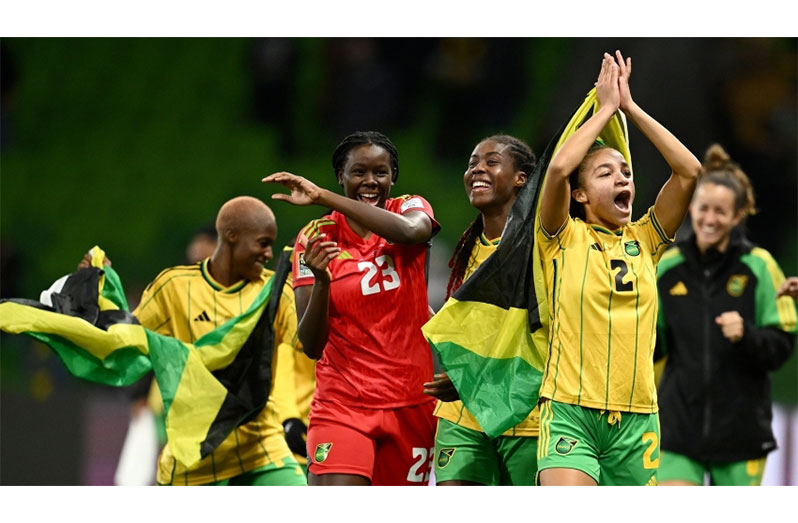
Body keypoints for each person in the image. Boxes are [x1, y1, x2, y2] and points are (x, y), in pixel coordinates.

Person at [535, 50, 701, 485]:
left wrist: (630, 108)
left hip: (637, 420)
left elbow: (688, 172)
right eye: (605, 174)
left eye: (625, 171)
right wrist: (604, 109)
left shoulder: (646, 240)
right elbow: (557, 170)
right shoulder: (560, 236)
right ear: (581, 196)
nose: (623, 179)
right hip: (571, 412)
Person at [86, 196, 307, 486]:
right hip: (194, 460)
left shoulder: (274, 291)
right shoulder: (173, 287)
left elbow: (311, 343)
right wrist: (97, 290)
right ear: (231, 237)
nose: (269, 254)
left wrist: (317, 281)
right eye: (263, 243)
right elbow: (126, 337)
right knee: (132, 480)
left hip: (261, 451)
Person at [262, 131, 438, 486]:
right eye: (358, 172)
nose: (370, 181)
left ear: (393, 177)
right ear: (341, 176)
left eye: (380, 172)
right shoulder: (316, 236)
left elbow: (410, 232)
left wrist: (322, 197)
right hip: (343, 405)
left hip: (412, 404)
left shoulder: (409, 207)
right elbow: (311, 345)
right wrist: (323, 281)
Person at [655, 144, 797, 486]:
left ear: (737, 216)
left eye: (721, 211)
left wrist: (747, 335)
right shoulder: (667, 267)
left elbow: (782, 344)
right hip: (678, 430)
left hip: (741, 435)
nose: (710, 219)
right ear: (691, 209)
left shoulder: (759, 267)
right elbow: (652, 345)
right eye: (704, 209)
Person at [422, 135, 541, 485]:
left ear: (522, 177)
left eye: (491, 162)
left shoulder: (544, 245)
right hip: (462, 415)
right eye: (472, 162)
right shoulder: (467, 248)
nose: (477, 169)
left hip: (525, 415)